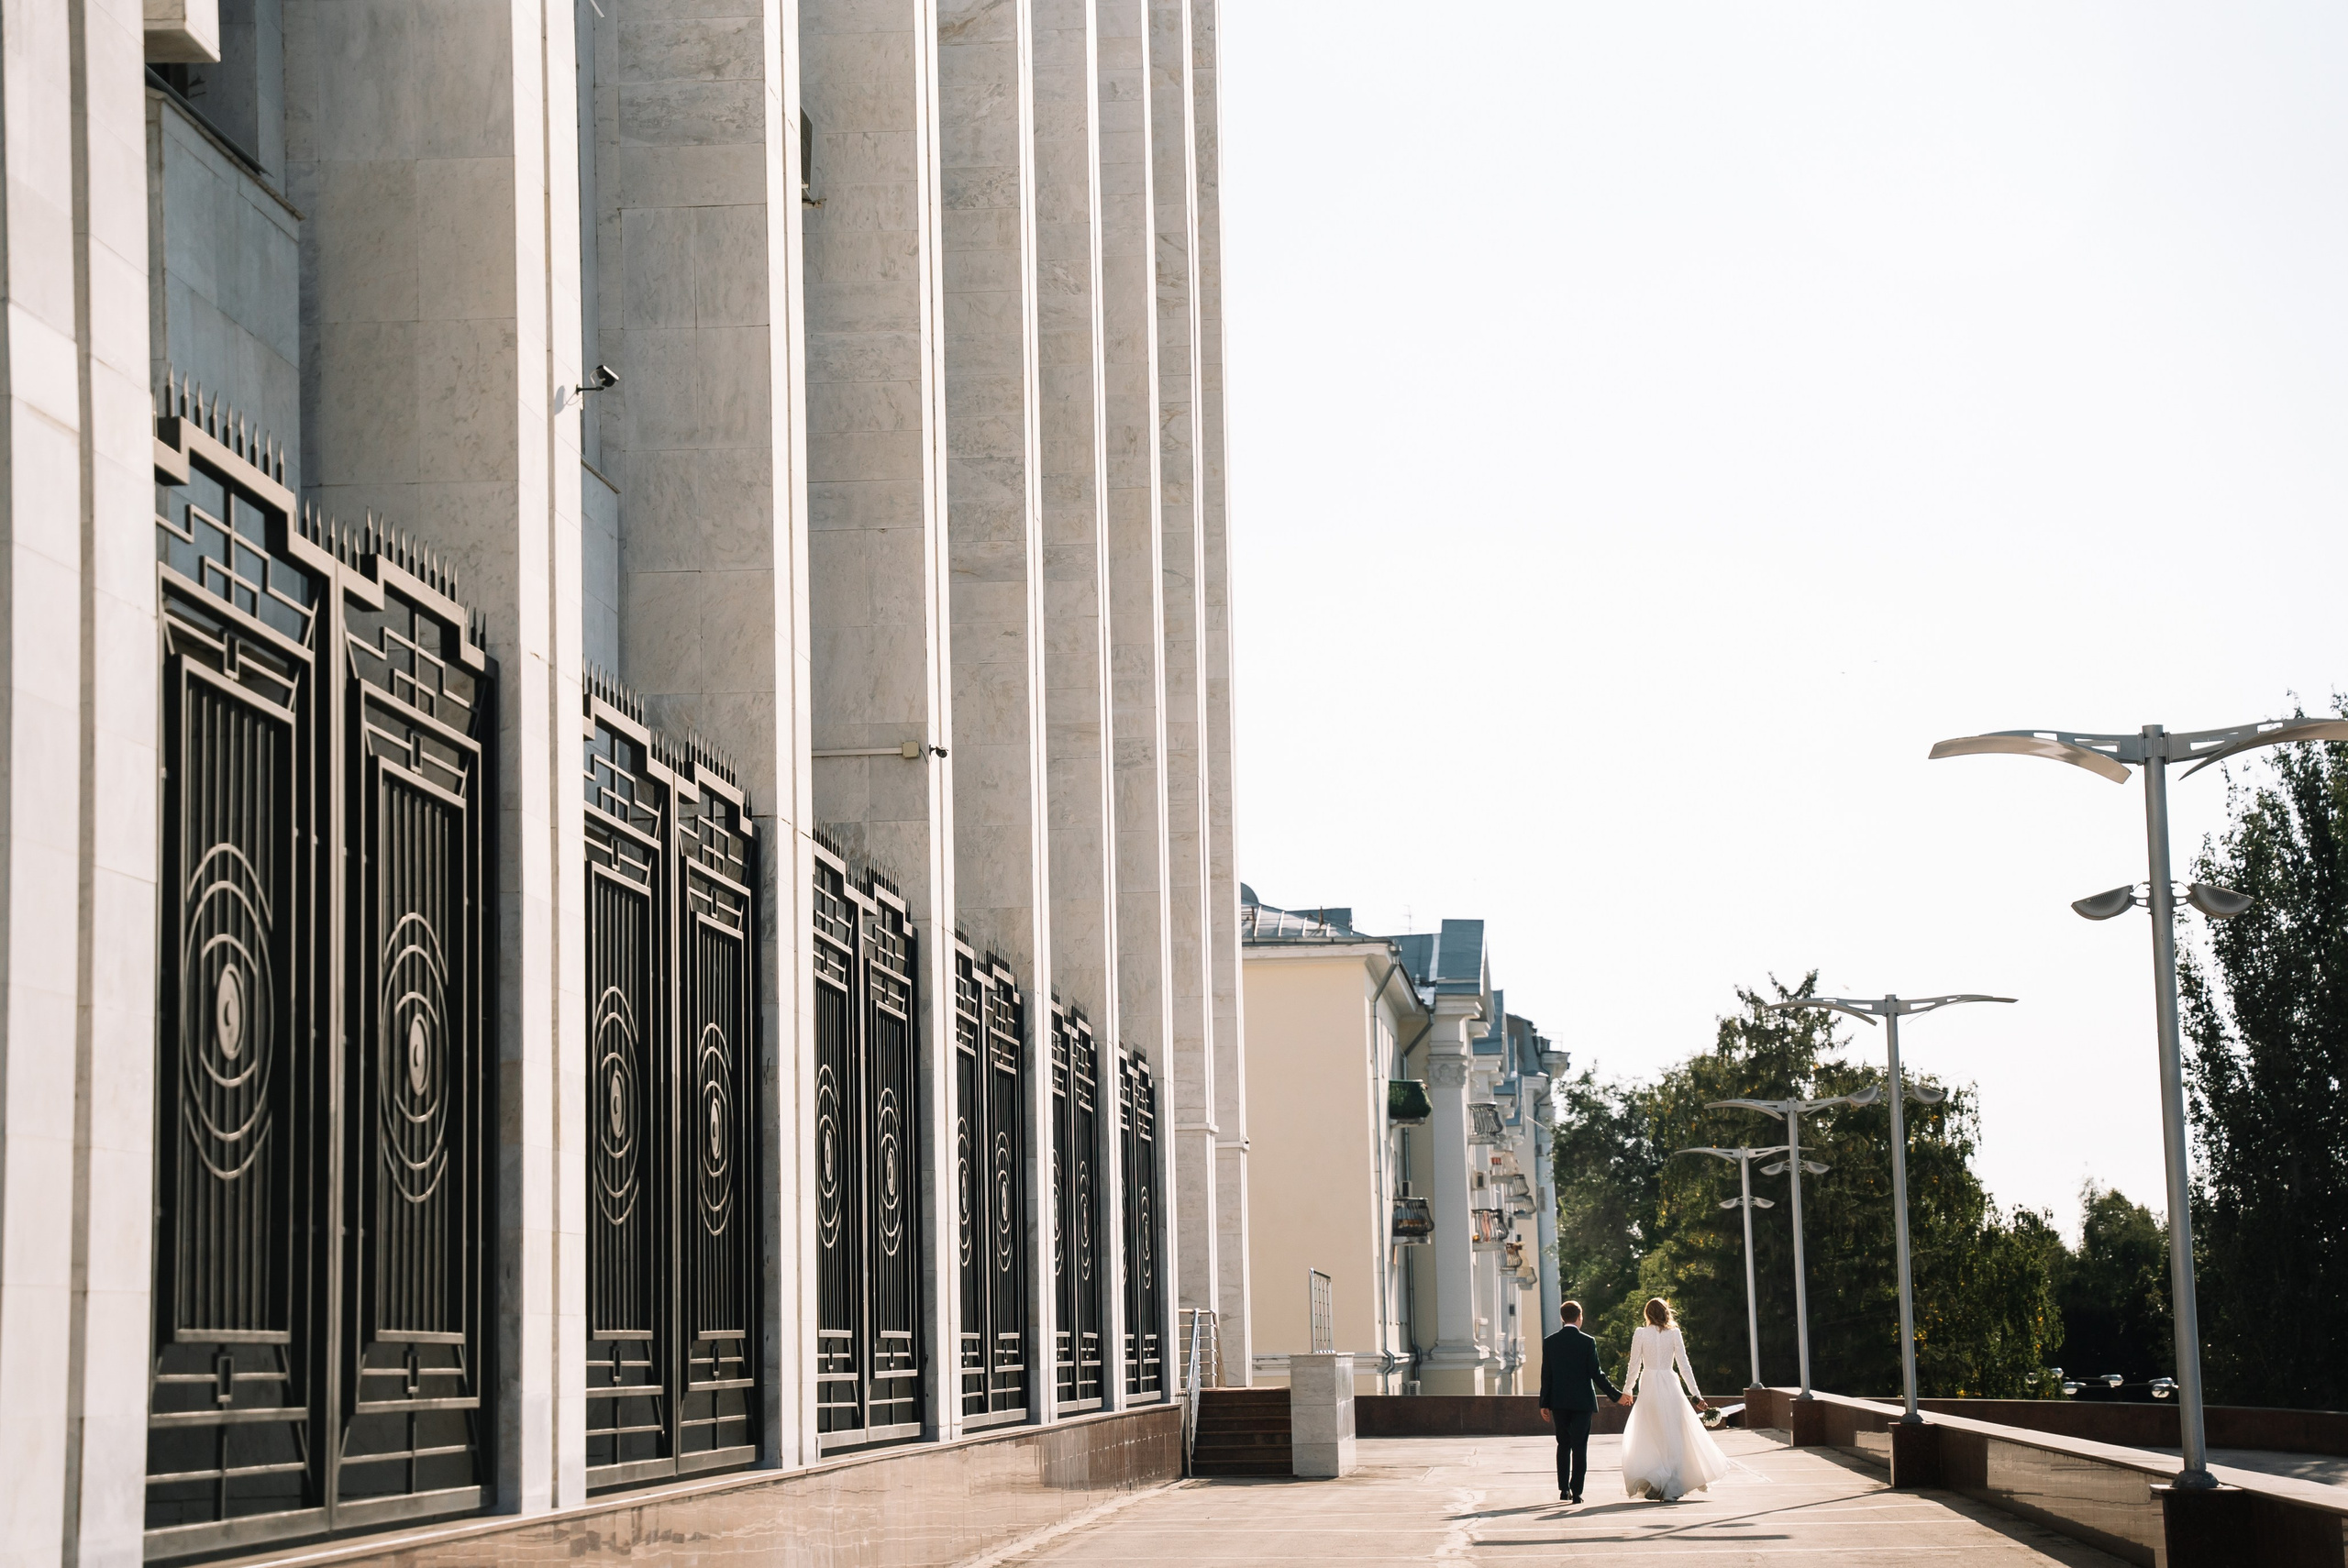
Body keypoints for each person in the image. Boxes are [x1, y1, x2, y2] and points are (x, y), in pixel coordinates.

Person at [1618, 1296, 1729, 1501]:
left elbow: (1633, 1365)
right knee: (1673, 1436)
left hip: (1650, 1386)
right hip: (1670, 1385)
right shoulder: (1674, 1334)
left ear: (1647, 1314)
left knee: (1652, 1435)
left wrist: (1627, 1391)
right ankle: (1672, 1484)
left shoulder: (1640, 1334)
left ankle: (1658, 1483)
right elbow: (1684, 1366)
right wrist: (1696, 1395)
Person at [1536, 1298, 1629, 1504]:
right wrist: (1616, 1395)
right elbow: (1596, 1374)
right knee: (1580, 1446)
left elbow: (1547, 1374)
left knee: (1563, 1444)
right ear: (1580, 1317)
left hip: (1559, 1402)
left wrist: (1544, 1402)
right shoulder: (1587, 1342)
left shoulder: (1550, 1342)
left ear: (1562, 1318)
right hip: (1582, 1403)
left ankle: (1563, 1489)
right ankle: (1577, 1492)